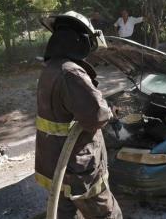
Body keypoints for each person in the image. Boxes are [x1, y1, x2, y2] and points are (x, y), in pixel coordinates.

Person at [36, 11, 122, 219]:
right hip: (77, 165)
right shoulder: (72, 73)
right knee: (107, 213)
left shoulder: (52, 68)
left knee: (65, 211)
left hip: (54, 161)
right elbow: (96, 116)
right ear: (79, 41)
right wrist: (110, 112)